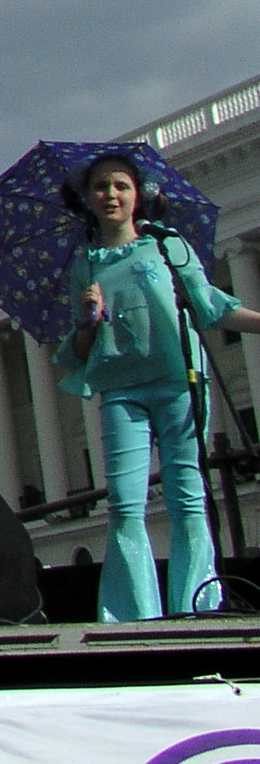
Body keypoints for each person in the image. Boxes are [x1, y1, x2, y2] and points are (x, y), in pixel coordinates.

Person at [52, 153, 260, 620]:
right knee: (125, 505)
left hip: (179, 382)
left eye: (121, 186)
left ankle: (196, 607)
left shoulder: (168, 246)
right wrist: (88, 320)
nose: (111, 195)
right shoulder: (85, 265)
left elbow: (212, 307)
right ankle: (134, 617)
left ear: (138, 195)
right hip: (120, 391)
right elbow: (81, 348)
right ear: (86, 198)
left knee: (188, 498)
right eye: (101, 187)